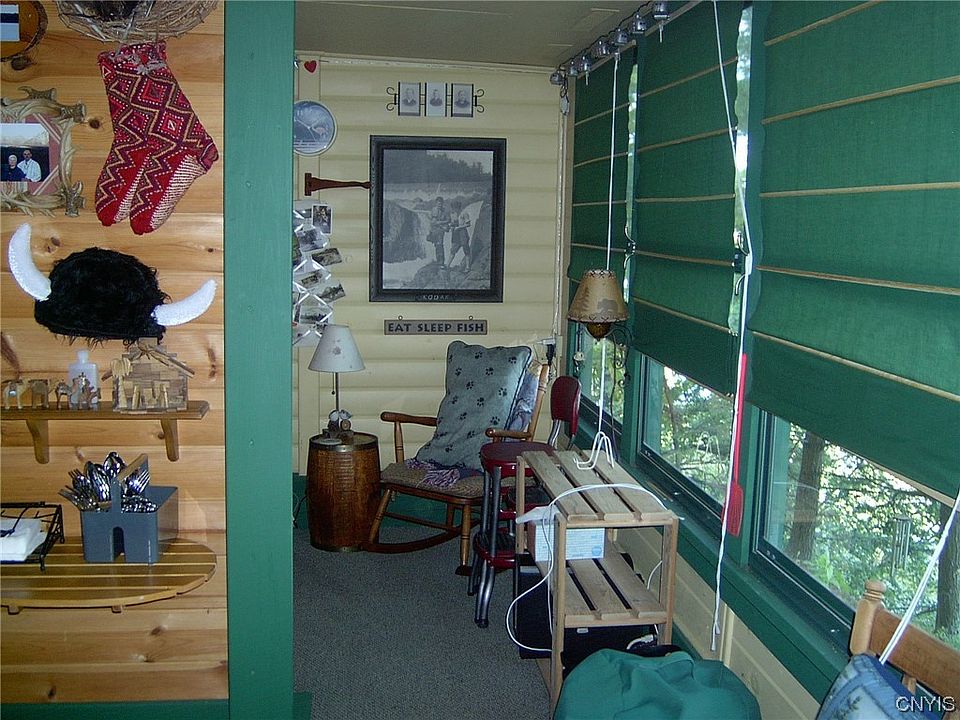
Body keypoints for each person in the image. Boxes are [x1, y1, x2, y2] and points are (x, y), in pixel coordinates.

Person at [448, 199, 471, 270]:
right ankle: (447, 265)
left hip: (462, 233)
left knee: (466, 249)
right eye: (453, 208)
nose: (454, 209)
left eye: (456, 207)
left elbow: (468, 224)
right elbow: (452, 223)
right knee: (453, 250)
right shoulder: (452, 214)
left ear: (459, 207)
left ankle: (468, 266)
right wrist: (451, 226)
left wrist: (459, 227)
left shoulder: (464, 213)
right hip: (455, 234)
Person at [427, 196, 447, 266]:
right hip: (434, 230)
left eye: (441, 204)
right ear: (436, 203)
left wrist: (440, 222)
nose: (439, 205)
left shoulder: (444, 211)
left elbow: (448, 220)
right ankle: (438, 260)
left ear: (442, 203)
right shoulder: (433, 210)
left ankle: (441, 261)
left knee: (440, 245)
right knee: (436, 245)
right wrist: (430, 231)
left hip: (441, 230)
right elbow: (431, 221)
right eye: (438, 204)